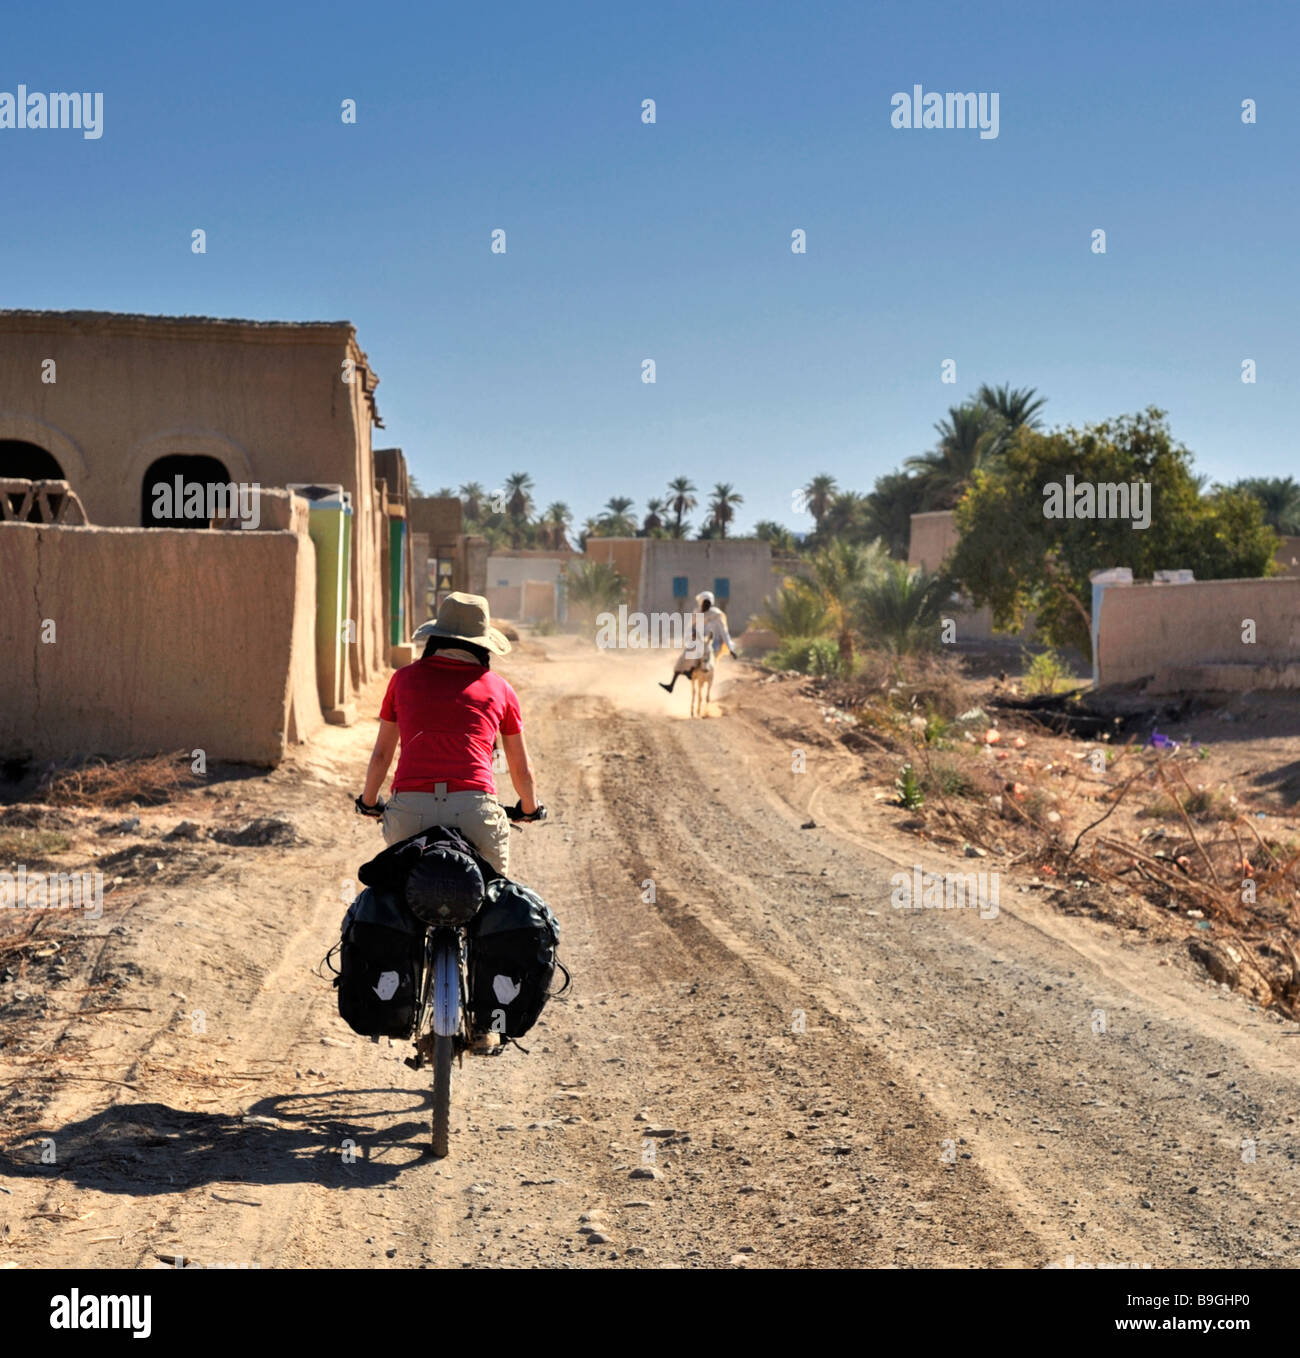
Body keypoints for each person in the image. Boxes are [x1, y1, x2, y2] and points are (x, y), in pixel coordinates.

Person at [354, 592, 543, 876]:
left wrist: (369, 802)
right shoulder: (500, 689)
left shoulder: (402, 680)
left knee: (397, 895)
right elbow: (521, 769)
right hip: (473, 813)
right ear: (483, 646)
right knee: (490, 898)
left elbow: (382, 755)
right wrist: (529, 808)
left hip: (410, 814)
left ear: (435, 638)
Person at [659, 590, 739, 694]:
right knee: (683, 657)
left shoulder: (716, 615)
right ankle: (671, 684)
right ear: (701, 603)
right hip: (697, 641)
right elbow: (689, 627)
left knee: (704, 655)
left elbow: (724, 632)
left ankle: (692, 672)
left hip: (711, 643)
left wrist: (730, 649)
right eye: (704, 603)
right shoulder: (697, 613)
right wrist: (692, 633)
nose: (706, 606)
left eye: (708, 604)